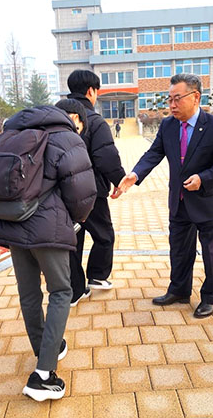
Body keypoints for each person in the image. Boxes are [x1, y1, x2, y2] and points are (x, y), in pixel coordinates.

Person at [0, 105, 96, 401]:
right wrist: (75, 221)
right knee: (61, 292)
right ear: (73, 118)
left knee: (29, 294)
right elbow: (82, 192)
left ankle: (46, 349)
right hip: (47, 227)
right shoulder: (67, 137)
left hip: (12, 221)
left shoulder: (11, 133)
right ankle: (43, 376)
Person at [117, 73, 213, 318]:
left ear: (195, 97)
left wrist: (203, 178)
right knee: (179, 250)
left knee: (212, 253)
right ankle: (179, 290)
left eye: (177, 99)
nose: (171, 105)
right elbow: (154, 153)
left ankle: (210, 298)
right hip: (180, 200)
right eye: (169, 99)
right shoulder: (168, 125)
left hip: (208, 201)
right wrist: (135, 174)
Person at [66, 70, 126, 304]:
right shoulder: (94, 120)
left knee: (72, 239)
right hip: (89, 193)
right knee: (104, 235)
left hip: (59, 194)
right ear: (91, 91)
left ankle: (73, 290)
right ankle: (97, 276)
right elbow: (106, 157)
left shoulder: (53, 116)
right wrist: (120, 180)